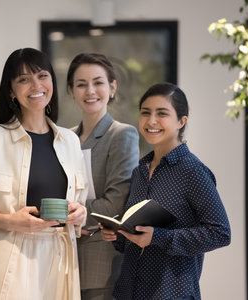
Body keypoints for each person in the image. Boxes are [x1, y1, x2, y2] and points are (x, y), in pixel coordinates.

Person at [0, 48, 88, 300]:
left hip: (59, 262)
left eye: (43, 76)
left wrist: (80, 213)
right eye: (24, 79)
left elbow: (80, 202)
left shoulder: (70, 141)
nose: (36, 85)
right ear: (11, 91)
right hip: (5, 262)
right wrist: (11, 221)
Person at [100, 83, 231, 300]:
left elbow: (220, 233)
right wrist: (117, 234)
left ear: (181, 121)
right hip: (129, 291)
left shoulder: (193, 171)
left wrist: (159, 237)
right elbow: (135, 237)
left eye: (162, 114)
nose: (151, 121)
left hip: (171, 293)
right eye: (145, 113)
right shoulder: (139, 171)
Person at [66, 53, 139, 300]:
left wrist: (66, 211)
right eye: (81, 84)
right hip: (62, 258)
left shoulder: (121, 135)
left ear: (112, 87)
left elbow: (115, 204)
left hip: (100, 261)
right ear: (71, 91)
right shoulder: (65, 138)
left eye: (98, 82)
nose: (90, 91)